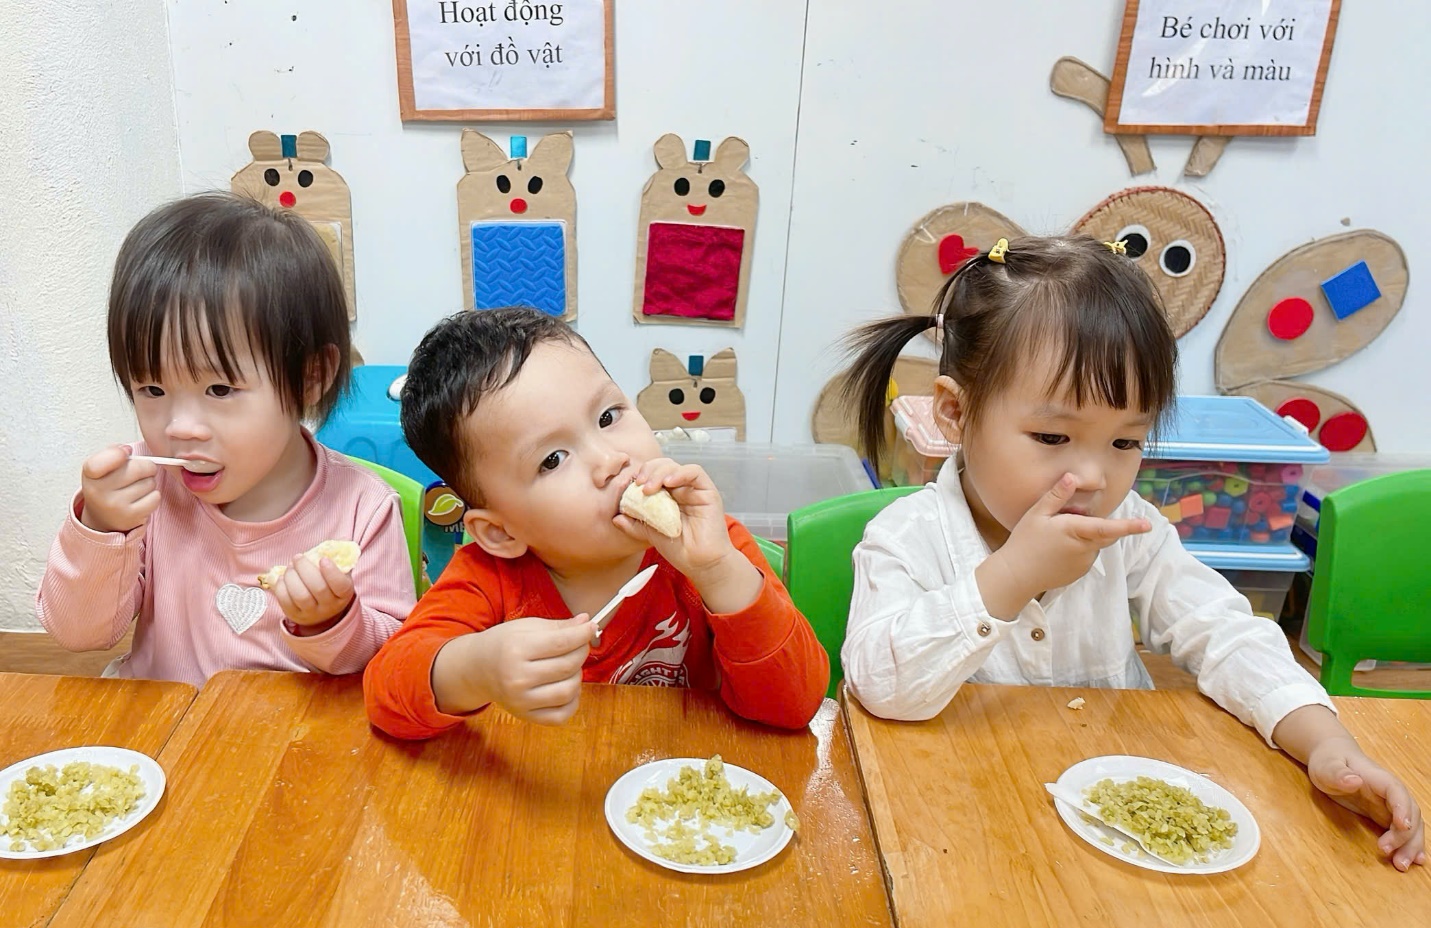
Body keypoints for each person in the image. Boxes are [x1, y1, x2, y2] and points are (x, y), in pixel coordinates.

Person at [839, 234, 1424, 871]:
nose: (1094, 476)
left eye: (1125, 443)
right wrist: (1011, 576)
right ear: (955, 412)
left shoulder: (1131, 529)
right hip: (964, 828)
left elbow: (1224, 632)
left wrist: (1325, 742)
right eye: (1052, 436)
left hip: (1116, 829)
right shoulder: (905, 537)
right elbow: (882, 688)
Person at [363, 307, 828, 738]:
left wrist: (718, 571)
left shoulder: (714, 545)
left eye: (608, 416)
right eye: (553, 459)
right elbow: (385, 693)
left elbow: (795, 703)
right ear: (501, 532)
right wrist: (475, 670)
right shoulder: (487, 581)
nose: (611, 460)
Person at [37, 193, 415, 685]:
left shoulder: (363, 508)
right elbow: (77, 633)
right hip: (164, 723)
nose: (179, 427)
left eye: (219, 390)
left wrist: (333, 621)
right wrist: (102, 528)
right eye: (152, 389)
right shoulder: (144, 494)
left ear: (310, 378)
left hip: (291, 730)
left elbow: (393, 660)